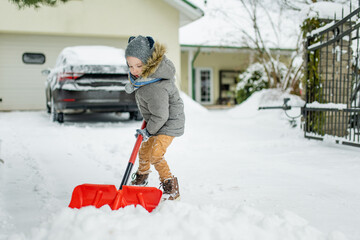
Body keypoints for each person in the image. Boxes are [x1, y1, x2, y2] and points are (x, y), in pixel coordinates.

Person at [124, 35, 185, 201]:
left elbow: (161, 114)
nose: (133, 70)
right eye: (130, 65)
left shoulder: (156, 86)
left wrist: (148, 131)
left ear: (149, 63)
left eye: (138, 65)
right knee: (144, 150)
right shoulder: (144, 80)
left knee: (155, 154)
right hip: (157, 121)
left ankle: (170, 185)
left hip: (169, 122)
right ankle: (141, 178)